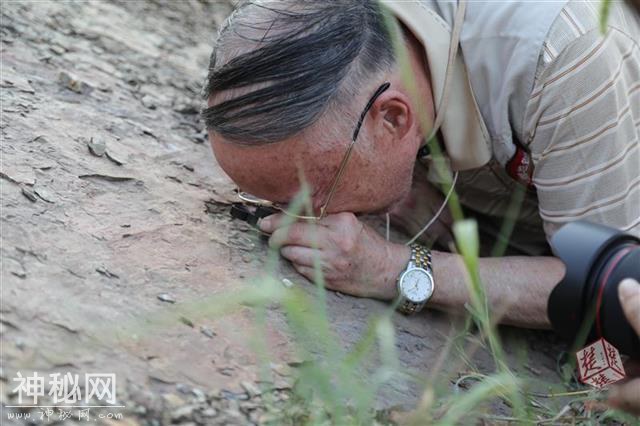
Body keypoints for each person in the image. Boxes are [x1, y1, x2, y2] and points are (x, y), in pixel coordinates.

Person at [202, 0, 639, 326]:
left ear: (393, 117)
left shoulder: (564, 58)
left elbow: (615, 287)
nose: (301, 218)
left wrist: (396, 269)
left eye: (313, 195)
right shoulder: (340, 40)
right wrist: (400, 175)